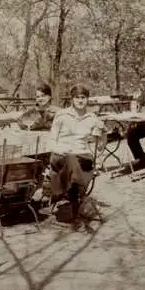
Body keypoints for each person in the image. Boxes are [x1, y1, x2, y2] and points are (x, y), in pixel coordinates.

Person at [47, 84, 107, 231]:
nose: (80, 101)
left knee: (75, 160)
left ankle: (76, 207)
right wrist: (63, 150)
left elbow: (99, 147)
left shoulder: (92, 118)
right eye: (77, 98)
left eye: (83, 97)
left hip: (82, 157)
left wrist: (104, 133)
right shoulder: (61, 116)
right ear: (71, 99)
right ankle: (82, 198)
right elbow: (51, 142)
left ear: (87, 99)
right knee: (71, 158)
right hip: (61, 157)